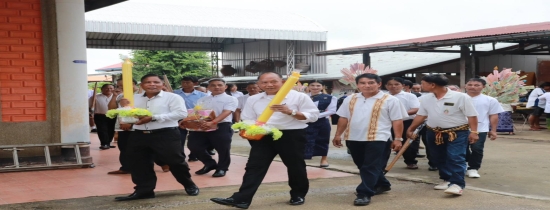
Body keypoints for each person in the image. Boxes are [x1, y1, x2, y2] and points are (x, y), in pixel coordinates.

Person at [210, 72, 319, 209]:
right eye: (264, 82)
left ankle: (298, 194)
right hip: (263, 135)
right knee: (254, 167)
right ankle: (242, 199)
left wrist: (290, 112)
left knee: (295, 166)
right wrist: (251, 129)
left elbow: (313, 116)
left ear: (283, 82)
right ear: (259, 84)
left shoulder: (298, 96)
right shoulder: (253, 99)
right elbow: (248, 118)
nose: (269, 85)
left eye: (273, 81)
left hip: (291, 135)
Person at [115, 74, 199, 201]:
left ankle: (188, 184)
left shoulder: (173, 97)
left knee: (175, 161)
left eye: (156, 82)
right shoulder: (132, 98)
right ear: (141, 85)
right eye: (148, 82)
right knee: (139, 162)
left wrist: (154, 117)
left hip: (165, 134)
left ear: (162, 84)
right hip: (139, 134)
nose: (152, 84)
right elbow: (127, 115)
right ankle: (144, 190)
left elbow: (181, 113)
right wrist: (124, 109)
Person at [333, 73, 408, 206]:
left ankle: (364, 193)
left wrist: (398, 138)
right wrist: (338, 134)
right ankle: (383, 184)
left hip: (378, 137)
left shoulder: (390, 100)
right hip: (353, 137)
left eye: (371, 83)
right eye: (363, 83)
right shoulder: (350, 98)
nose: (366, 85)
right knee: (361, 164)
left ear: (379, 84)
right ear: (358, 85)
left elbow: (397, 120)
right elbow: (343, 117)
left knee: (370, 165)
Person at [407, 74, 479, 196]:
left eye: (423, 83)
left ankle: (457, 184)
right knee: (437, 157)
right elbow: (421, 115)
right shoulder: (426, 98)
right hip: (433, 132)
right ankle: (447, 179)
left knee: (455, 157)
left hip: (457, 132)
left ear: (432, 85)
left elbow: (472, 115)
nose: (421, 85)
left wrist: (474, 132)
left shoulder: (460, 97)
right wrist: (411, 129)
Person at [187, 78, 238, 178]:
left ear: (225, 87)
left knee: (223, 149)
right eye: (213, 85)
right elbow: (197, 113)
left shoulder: (231, 99)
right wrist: (189, 122)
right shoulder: (202, 99)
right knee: (193, 145)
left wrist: (213, 122)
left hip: (221, 126)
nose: (216, 87)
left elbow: (227, 112)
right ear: (208, 87)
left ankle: (222, 168)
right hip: (203, 126)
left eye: (219, 85)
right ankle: (209, 163)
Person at [464, 78, 503, 178]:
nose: (473, 87)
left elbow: (493, 115)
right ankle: (465, 164)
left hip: (480, 129)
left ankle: (473, 168)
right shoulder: (460, 98)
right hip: (460, 128)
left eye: (477, 85)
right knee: (461, 148)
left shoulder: (490, 100)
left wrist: (493, 130)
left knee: (477, 149)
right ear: (465, 86)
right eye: (470, 84)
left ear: (483, 87)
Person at [173, 76, 212, 162]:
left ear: (195, 83)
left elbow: (205, 108)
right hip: (179, 120)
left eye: (188, 82)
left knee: (195, 139)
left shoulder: (202, 95)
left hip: (195, 119)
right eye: (183, 82)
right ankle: (181, 156)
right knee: (179, 139)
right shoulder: (174, 93)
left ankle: (193, 155)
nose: (185, 84)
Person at [385, 77, 421, 169]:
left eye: (396, 84)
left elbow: (416, 109)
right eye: (390, 84)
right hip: (387, 123)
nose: (393, 86)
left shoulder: (409, 96)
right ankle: (382, 163)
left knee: (408, 143)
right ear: (386, 86)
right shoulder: (384, 96)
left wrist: (399, 114)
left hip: (406, 122)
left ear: (403, 86)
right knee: (386, 142)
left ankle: (411, 161)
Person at [107, 78, 139, 174]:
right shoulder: (120, 95)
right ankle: (126, 167)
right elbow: (111, 108)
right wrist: (114, 95)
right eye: (118, 86)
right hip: (122, 126)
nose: (120, 88)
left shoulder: (140, 94)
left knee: (139, 148)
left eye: (122, 85)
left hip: (138, 126)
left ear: (132, 83)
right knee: (123, 147)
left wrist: (131, 123)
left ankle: (161, 163)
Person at [305, 80, 337, 167]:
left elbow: (332, 110)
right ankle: (303, 157)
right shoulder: (303, 97)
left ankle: (324, 159)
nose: (315, 87)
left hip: (322, 121)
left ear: (322, 87)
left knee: (323, 140)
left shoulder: (330, 97)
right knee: (305, 140)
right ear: (309, 86)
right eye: (313, 85)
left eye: (318, 85)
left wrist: (317, 116)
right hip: (305, 121)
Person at [89, 84, 117, 150]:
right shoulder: (95, 97)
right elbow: (90, 106)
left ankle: (108, 143)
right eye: (107, 88)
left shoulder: (116, 97)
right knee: (102, 130)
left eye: (111, 88)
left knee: (111, 130)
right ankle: (104, 143)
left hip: (112, 116)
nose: (109, 90)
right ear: (102, 89)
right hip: (100, 116)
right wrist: (91, 113)